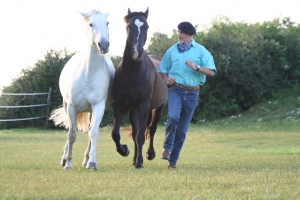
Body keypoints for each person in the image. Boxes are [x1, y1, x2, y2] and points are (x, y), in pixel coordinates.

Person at [157, 21, 217, 169]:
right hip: (175, 90)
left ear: (190, 35)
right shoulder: (171, 51)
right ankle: (167, 147)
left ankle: (173, 161)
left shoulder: (201, 51)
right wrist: (166, 79)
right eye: (178, 32)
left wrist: (196, 67)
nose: (179, 35)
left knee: (182, 130)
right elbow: (162, 70)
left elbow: (212, 72)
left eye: (182, 32)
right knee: (173, 117)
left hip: (193, 93)